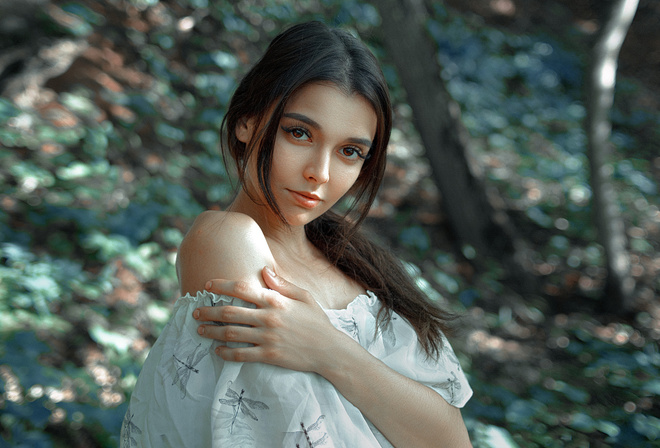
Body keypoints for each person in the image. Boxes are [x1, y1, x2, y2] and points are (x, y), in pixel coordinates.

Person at [121, 21, 472, 448]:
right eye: (299, 132)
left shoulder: (360, 264)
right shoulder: (228, 241)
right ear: (247, 121)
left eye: (349, 151)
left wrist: (329, 350)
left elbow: (452, 439)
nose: (319, 174)